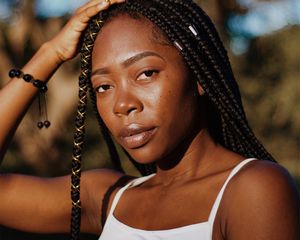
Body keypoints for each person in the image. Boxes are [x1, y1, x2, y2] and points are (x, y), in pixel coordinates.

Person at [0, 0, 299, 239]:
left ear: (198, 76)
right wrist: (50, 52)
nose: (122, 104)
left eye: (145, 73)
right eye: (103, 87)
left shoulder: (252, 190)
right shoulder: (106, 199)